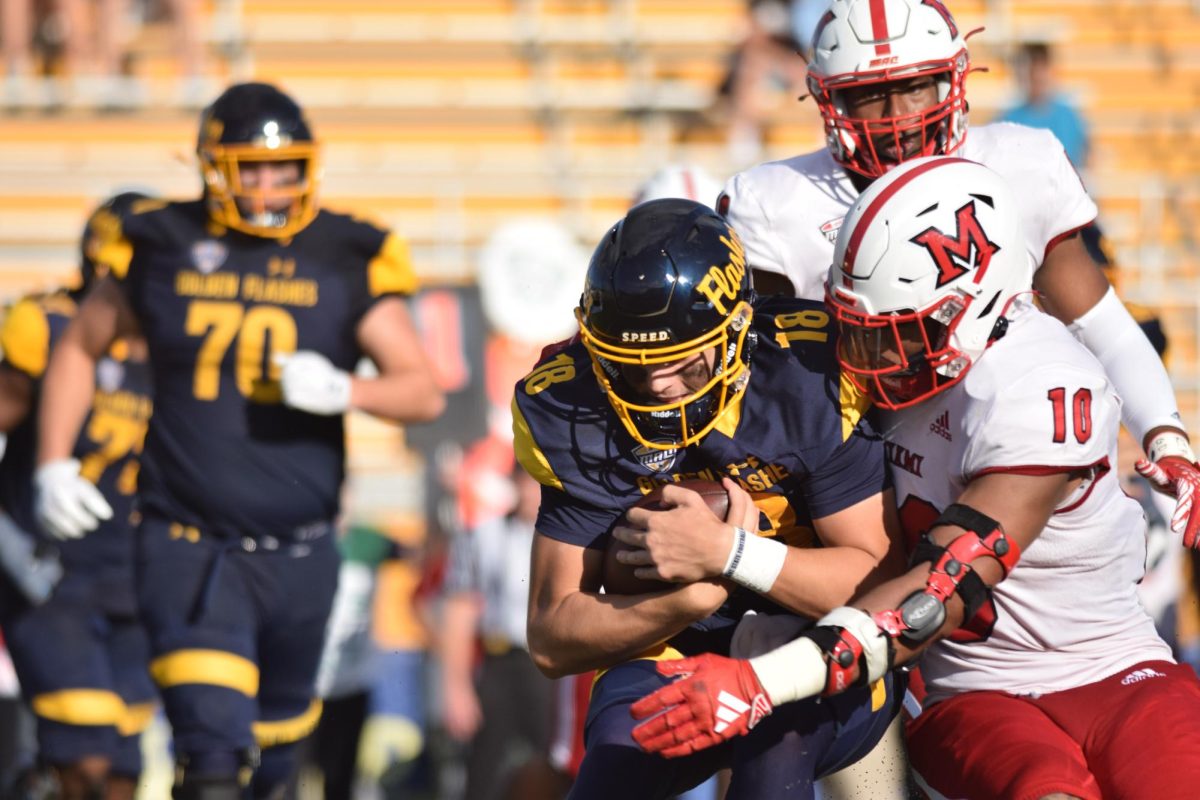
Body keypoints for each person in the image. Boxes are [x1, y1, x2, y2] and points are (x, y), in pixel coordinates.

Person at [629, 157, 1200, 799]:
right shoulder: (871, 378)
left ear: (968, 313)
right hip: (972, 690)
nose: (857, 360)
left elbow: (939, 591)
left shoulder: (1038, 386)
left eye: (887, 337)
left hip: (1114, 668)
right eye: (854, 330)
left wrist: (765, 680)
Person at [34, 82, 446, 800]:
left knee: (277, 766)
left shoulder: (346, 251)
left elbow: (421, 388)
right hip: (188, 548)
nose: (267, 184)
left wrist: (349, 390)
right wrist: (51, 462)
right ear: (209, 165)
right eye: (249, 168)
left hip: (300, 555)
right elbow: (77, 348)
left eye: (282, 167)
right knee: (215, 762)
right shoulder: (161, 240)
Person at [717, 0, 1200, 552]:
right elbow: (765, 385)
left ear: (954, 79)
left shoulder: (1021, 161)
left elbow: (1101, 324)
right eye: (869, 93)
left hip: (1004, 456)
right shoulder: (775, 203)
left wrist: (1165, 437)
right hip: (860, 497)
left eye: (917, 85)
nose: (897, 114)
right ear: (829, 97)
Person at [514, 198, 908, 799]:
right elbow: (551, 637)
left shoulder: (807, 374)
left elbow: (882, 583)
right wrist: (693, 595)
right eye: (629, 367)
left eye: (680, 363)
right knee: (611, 781)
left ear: (735, 332)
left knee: (770, 772)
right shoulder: (574, 406)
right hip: (673, 644)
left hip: (816, 639)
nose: (657, 385)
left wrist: (731, 554)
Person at [0, 192, 156, 800]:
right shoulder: (49, 325)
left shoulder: (181, 345)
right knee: (85, 763)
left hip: (138, 575)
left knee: (122, 774)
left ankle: (29, 783)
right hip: (54, 573)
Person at [439, 448, 562, 800]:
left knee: (555, 765)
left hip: (554, 668)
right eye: (524, 483)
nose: (530, 493)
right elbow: (460, 608)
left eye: (538, 484)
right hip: (502, 662)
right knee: (485, 771)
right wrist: (456, 687)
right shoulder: (484, 534)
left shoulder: (570, 537)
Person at [997, 41, 1090, 169]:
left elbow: (1085, 157)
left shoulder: (1069, 117)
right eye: (1031, 73)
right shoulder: (1007, 120)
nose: (1037, 77)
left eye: (1040, 71)